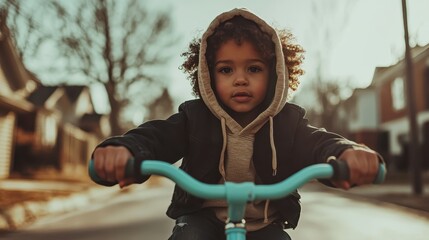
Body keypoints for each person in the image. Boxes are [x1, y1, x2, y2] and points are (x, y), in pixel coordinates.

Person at [92, 8, 382, 240]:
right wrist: (124, 149)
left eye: (253, 68)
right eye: (226, 69)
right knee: (190, 237)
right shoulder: (194, 118)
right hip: (200, 218)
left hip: (264, 223)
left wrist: (347, 154)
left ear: (276, 75)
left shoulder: (288, 122)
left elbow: (320, 143)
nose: (240, 79)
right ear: (207, 76)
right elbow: (157, 136)